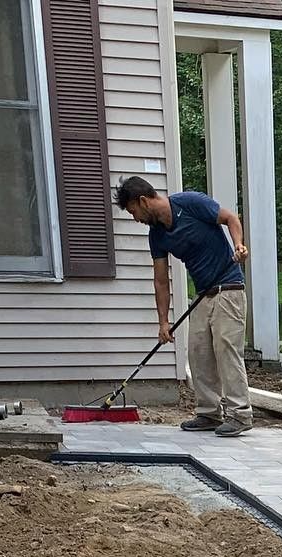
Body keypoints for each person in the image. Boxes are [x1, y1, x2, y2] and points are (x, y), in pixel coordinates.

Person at [114, 176, 254, 438]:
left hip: (228, 288)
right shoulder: (157, 235)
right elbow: (160, 281)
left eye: (133, 212)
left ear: (143, 201)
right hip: (203, 294)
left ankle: (240, 414)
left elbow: (230, 219)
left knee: (227, 351)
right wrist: (163, 322)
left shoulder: (190, 203)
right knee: (198, 353)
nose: (135, 219)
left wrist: (238, 245)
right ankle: (209, 413)